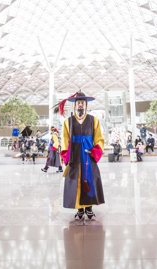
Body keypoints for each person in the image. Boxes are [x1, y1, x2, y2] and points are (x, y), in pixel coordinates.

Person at [60, 91, 105, 221]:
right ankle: (80, 210)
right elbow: (64, 140)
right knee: (76, 181)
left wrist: (95, 150)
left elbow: (99, 139)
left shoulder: (93, 120)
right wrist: (66, 155)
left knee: (89, 180)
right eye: (78, 103)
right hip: (74, 155)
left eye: (82, 103)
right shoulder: (68, 122)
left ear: (86, 105)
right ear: (75, 106)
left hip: (88, 155)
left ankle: (89, 209)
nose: (80, 105)